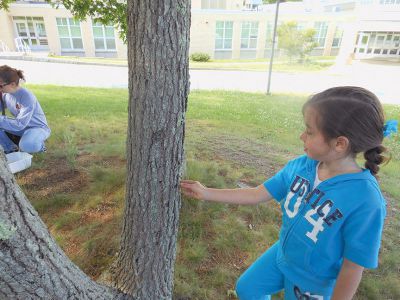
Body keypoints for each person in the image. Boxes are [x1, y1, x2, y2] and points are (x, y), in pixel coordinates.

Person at [181, 86, 398, 300]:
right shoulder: (302, 166)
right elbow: (258, 193)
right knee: (247, 288)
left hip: (313, 283)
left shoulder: (366, 200)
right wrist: (206, 192)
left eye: (310, 131)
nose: (302, 136)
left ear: (339, 143)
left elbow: (353, 266)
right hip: (281, 257)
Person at [0, 65, 50, 154]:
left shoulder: (27, 97)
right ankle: (11, 149)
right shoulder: (6, 94)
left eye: (0, 85)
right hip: (22, 127)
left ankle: (40, 146)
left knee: (27, 145)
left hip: (37, 128)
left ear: (12, 84)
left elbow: (20, 124)